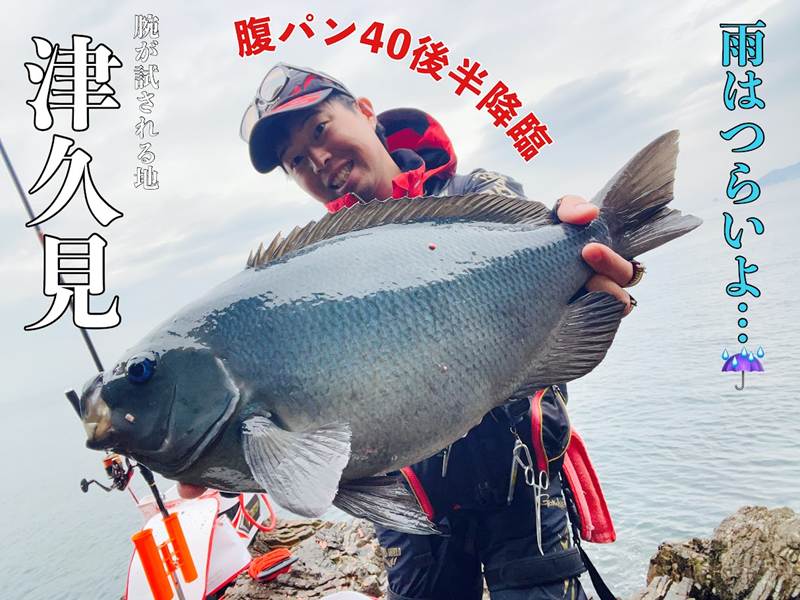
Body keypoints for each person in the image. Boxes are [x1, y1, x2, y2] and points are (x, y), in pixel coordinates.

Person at [183, 63, 640, 599]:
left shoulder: (475, 194)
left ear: (365, 112)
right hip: (411, 511)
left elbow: (546, 254)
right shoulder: (315, 270)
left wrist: (588, 254)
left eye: (320, 130)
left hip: (523, 484)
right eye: (296, 161)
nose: (317, 160)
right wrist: (220, 449)